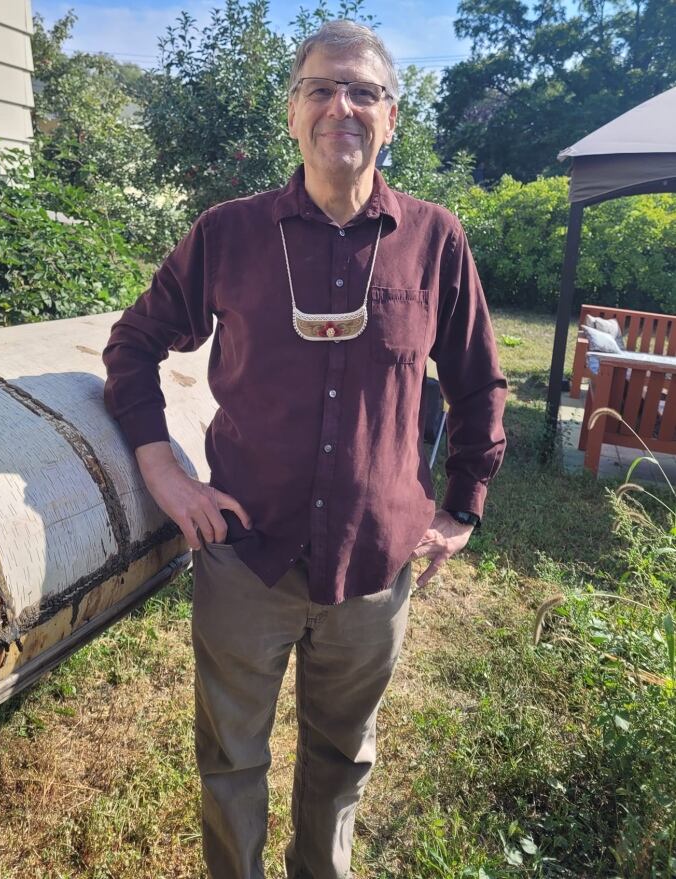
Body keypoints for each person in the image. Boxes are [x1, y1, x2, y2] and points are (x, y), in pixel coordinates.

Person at [103, 19, 506, 879]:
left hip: (373, 565)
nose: (342, 107)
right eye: (321, 88)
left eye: (364, 90)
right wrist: (163, 469)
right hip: (247, 554)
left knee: (342, 760)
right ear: (291, 112)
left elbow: (479, 385)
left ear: (392, 117)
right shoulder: (229, 233)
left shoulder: (435, 240)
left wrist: (462, 508)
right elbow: (133, 345)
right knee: (232, 762)